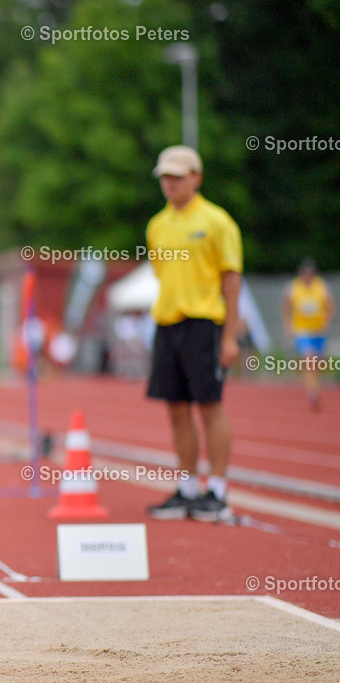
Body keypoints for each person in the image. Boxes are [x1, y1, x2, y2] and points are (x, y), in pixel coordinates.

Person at [143, 146, 243, 523]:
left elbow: (232, 284)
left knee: (210, 406)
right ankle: (187, 488)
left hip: (205, 325)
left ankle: (216, 490)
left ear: (196, 178)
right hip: (167, 325)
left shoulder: (218, 222)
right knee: (175, 409)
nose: (170, 183)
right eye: (165, 176)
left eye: (177, 176)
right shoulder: (157, 224)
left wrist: (230, 336)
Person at [282, 257, 334, 410]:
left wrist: (327, 319)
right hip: (302, 331)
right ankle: (313, 393)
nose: (307, 276)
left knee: (318, 364)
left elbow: (330, 306)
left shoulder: (321, 286)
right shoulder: (293, 287)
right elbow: (285, 309)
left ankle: (313, 386)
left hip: (318, 331)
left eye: (310, 273)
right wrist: (289, 327)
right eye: (305, 273)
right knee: (308, 359)